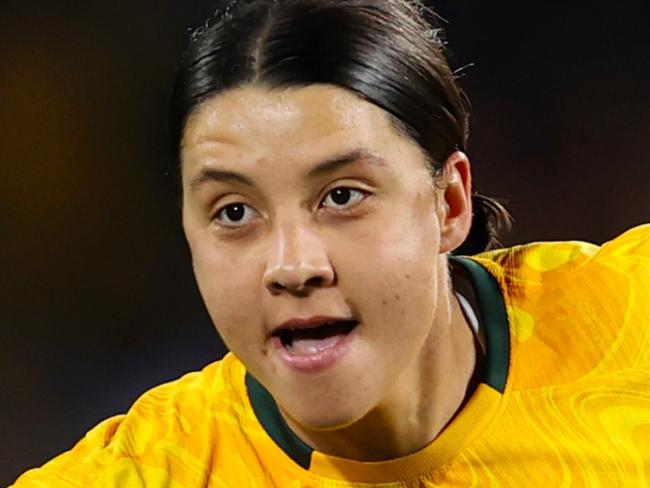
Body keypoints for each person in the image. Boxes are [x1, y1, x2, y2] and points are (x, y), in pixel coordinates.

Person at [12, 0, 650, 486]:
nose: (292, 265)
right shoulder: (156, 471)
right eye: (234, 211)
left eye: (342, 196)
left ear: (448, 203)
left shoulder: (632, 320)